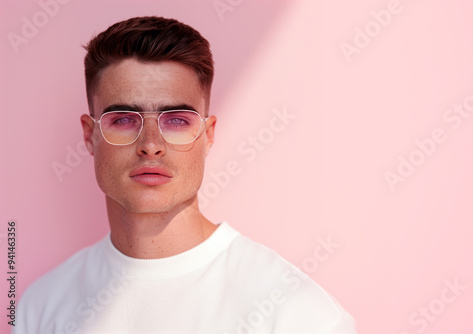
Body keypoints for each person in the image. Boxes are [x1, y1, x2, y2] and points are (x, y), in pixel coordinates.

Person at [15, 16, 357, 334]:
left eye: (176, 120)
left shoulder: (297, 314)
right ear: (90, 136)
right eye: (123, 119)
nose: (151, 145)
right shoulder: (41, 307)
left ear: (207, 136)